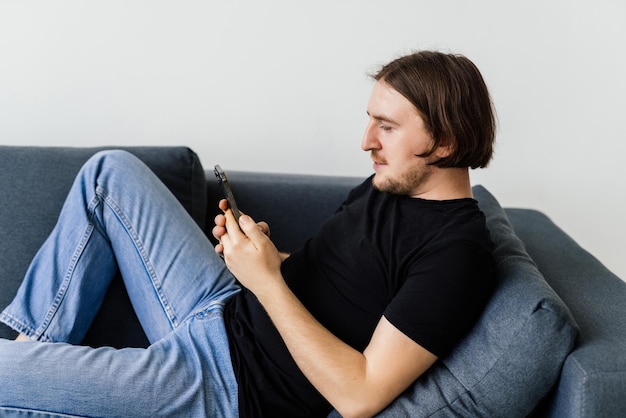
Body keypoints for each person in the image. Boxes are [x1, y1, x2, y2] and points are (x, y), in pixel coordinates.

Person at [0, 50, 497, 418]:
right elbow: (342, 288)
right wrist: (259, 256)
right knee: (110, 174)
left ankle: (30, 371)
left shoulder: (457, 255)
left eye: (385, 127)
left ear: (445, 140)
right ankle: (35, 354)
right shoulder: (388, 186)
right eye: (370, 120)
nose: (365, 141)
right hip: (222, 308)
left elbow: (360, 395)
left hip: (224, 385)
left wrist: (267, 283)